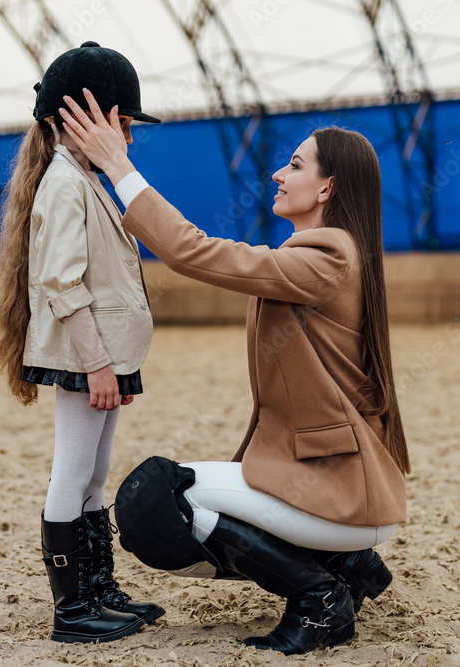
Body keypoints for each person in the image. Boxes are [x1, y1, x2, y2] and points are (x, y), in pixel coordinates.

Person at [59, 89, 410, 655]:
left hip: (341, 496)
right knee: (172, 493)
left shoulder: (329, 257)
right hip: (337, 494)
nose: (277, 172)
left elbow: (192, 251)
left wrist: (118, 167)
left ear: (327, 187)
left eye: (295, 165)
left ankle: (319, 597)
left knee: (151, 501)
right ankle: (348, 567)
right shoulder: (325, 252)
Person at [0, 43, 164, 644]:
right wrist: (98, 366)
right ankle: (71, 608)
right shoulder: (64, 184)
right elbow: (61, 282)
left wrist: (113, 363)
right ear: (84, 120)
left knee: (95, 471)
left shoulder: (82, 179)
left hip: (105, 357)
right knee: (73, 470)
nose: (129, 138)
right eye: (124, 123)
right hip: (88, 358)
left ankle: (97, 588)